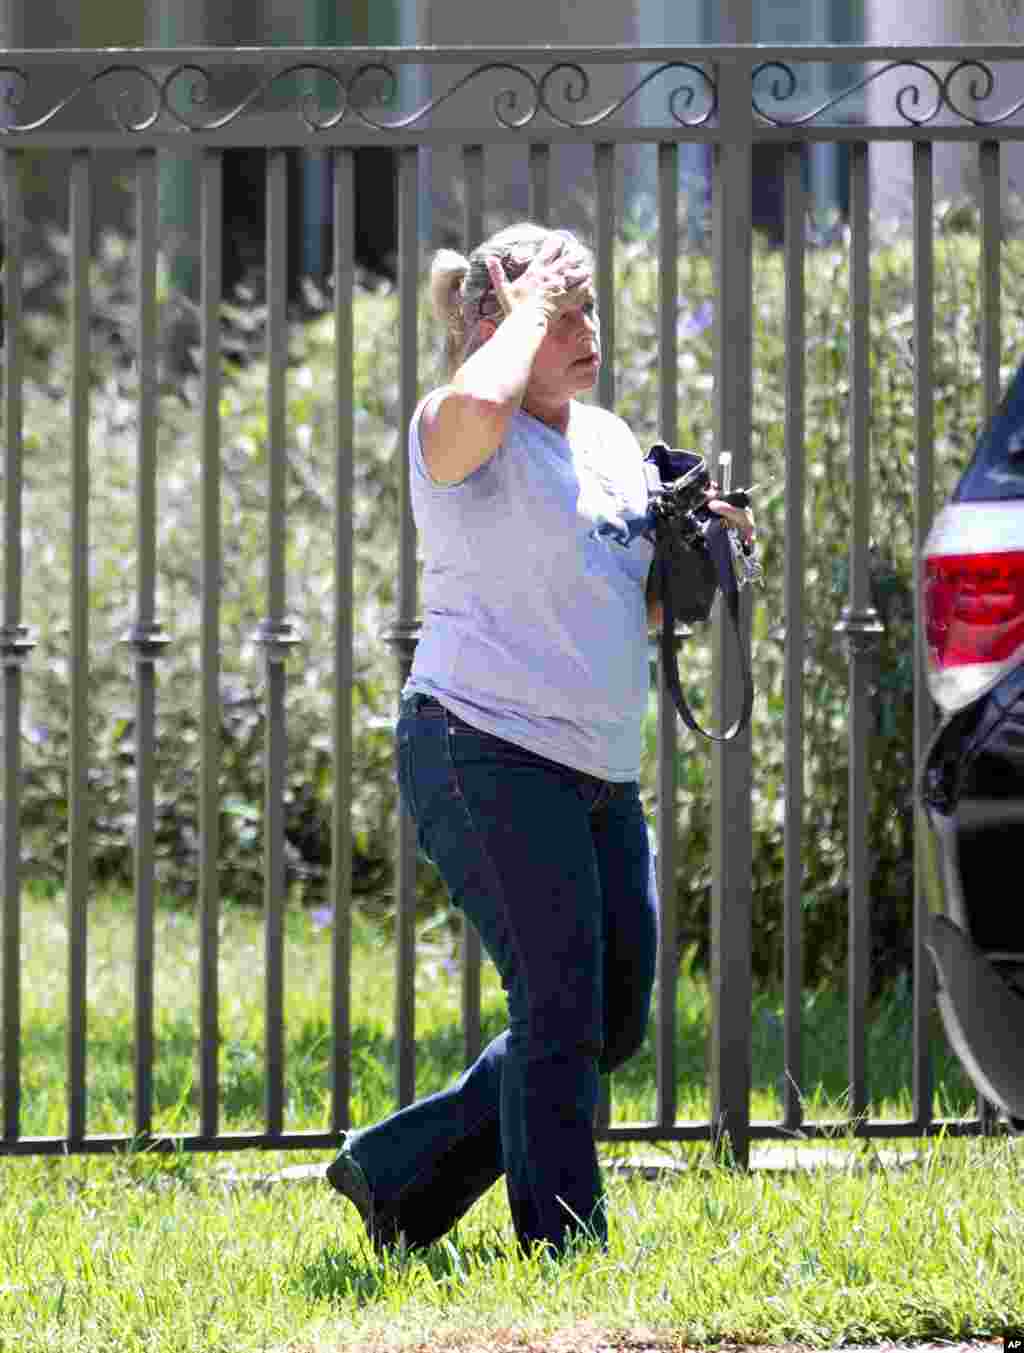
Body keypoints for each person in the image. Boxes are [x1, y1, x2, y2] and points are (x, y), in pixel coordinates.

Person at [326, 222, 753, 1258]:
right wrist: (522, 318)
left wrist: (698, 562)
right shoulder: (456, 424)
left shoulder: (606, 441)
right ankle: (565, 1248)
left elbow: (621, 602)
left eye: (589, 306)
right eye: (560, 309)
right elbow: (478, 401)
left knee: (607, 1021)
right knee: (556, 1004)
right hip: (482, 750)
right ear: (492, 321)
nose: (584, 327)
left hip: (598, 773)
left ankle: (393, 1173)